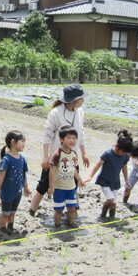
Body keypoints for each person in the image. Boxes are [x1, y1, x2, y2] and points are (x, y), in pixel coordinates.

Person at [29, 84, 90, 216]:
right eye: (81, 99)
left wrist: (84, 154)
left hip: (72, 157)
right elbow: (47, 135)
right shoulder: (56, 113)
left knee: (73, 183)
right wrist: (45, 157)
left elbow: (81, 134)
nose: (83, 101)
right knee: (44, 184)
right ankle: (32, 209)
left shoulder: (80, 112)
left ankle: (75, 209)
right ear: (73, 100)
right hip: (56, 157)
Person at [84, 130, 133, 220]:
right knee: (110, 199)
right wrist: (90, 176)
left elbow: (124, 167)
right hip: (105, 181)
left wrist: (126, 180)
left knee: (114, 203)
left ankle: (112, 217)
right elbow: (98, 165)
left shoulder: (125, 156)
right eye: (123, 152)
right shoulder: (108, 154)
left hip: (115, 182)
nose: (123, 154)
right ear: (117, 146)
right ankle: (102, 215)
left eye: (125, 153)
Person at [0, 130, 31, 235]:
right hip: (7, 192)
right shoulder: (6, 159)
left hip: (17, 192)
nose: (24, 144)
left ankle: (10, 227)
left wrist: (26, 187)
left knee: (13, 212)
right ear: (13, 142)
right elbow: (1, 177)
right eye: (22, 141)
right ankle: (2, 230)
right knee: (5, 213)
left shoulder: (22, 159)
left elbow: (24, 174)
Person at [48, 126, 86, 228]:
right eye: (69, 138)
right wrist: (51, 187)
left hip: (71, 188)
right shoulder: (57, 153)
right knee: (59, 210)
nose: (72, 141)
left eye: (74, 138)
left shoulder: (74, 154)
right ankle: (57, 227)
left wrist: (80, 180)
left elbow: (74, 169)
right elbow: (52, 170)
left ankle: (71, 225)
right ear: (61, 139)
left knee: (72, 209)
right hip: (59, 188)